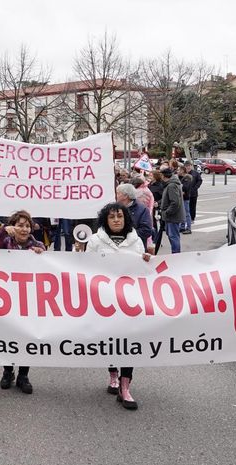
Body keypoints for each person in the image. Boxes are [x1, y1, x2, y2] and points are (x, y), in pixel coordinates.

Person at [81, 202, 151, 410]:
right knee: (110, 340)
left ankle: (125, 386)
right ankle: (113, 373)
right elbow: (86, 268)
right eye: (112, 217)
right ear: (106, 220)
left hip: (129, 301)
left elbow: (142, 270)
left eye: (120, 216)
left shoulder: (135, 240)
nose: (117, 220)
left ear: (126, 218)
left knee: (129, 343)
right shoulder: (95, 241)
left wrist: (147, 260)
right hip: (104, 301)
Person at [0, 210, 44, 394]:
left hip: (29, 301)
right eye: (20, 225)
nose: (24, 229)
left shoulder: (37, 245)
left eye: (27, 225)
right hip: (7, 299)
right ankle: (8, 371)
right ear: (13, 226)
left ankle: (23, 375)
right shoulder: (4, 242)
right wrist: (4, 230)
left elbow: (48, 267)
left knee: (27, 337)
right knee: (8, 336)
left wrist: (40, 253)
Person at [116, 183, 154, 252]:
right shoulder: (115, 208)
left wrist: (126, 235)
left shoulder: (142, 209)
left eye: (118, 193)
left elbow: (147, 230)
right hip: (119, 249)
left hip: (137, 249)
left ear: (125, 196)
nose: (116, 195)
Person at [159, 166, 184, 254]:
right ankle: (175, 254)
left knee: (173, 236)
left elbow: (175, 202)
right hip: (171, 216)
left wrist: (167, 212)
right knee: (172, 236)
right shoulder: (171, 184)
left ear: (163, 175)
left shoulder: (171, 185)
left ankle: (176, 255)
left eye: (161, 174)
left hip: (172, 216)